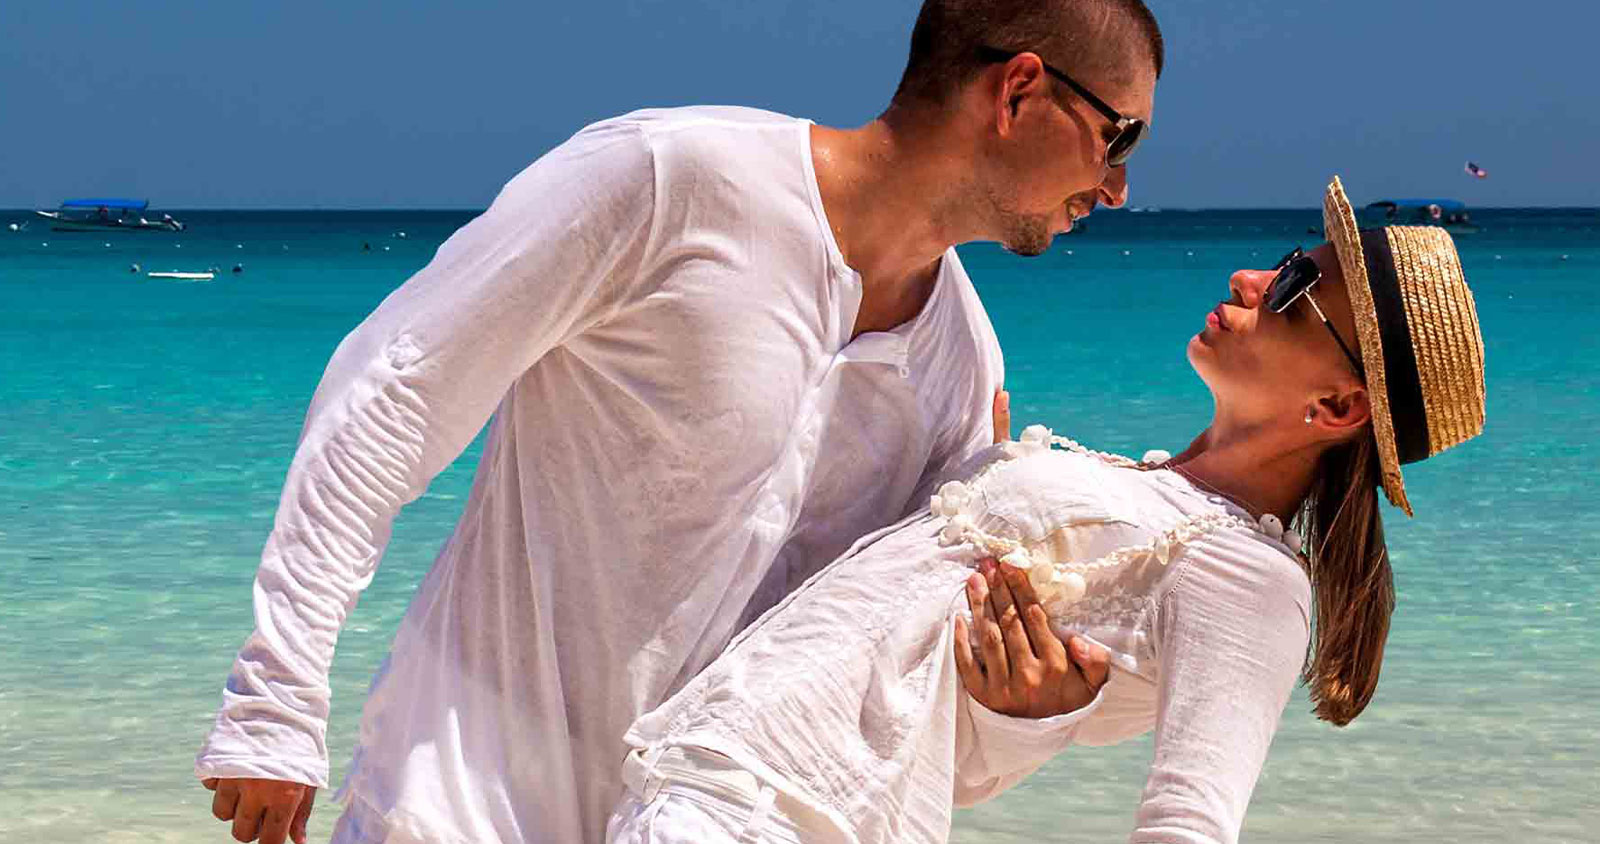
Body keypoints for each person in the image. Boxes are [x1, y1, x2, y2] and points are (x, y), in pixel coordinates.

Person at [193, 2, 1164, 843]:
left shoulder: (962, 363)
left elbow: (872, 690)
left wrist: (1016, 715)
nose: (1119, 186)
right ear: (1020, 90)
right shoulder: (670, 178)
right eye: (1117, 135)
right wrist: (277, 696)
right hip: (458, 793)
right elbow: (394, 391)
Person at [605, 177, 1487, 843]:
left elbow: (1188, 824)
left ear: (1337, 410)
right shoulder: (1147, 486)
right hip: (710, 780)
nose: (1252, 274)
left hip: (779, 811)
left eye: (1297, 283)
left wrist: (1024, 720)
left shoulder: (1250, 575)